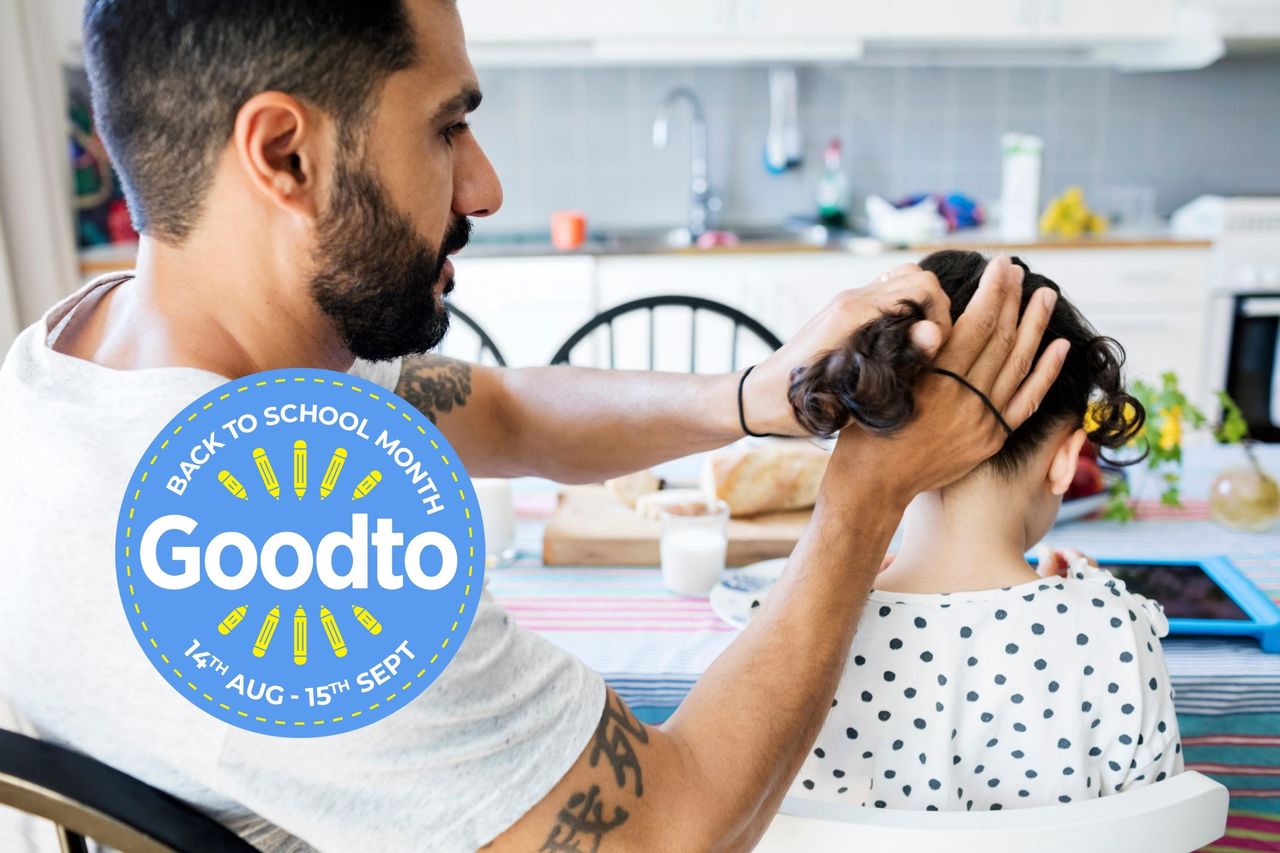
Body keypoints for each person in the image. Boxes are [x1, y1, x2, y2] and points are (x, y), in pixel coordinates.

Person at [0, 2, 1068, 850]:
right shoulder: (299, 551)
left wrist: (756, 394)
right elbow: (670, 829)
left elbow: (494, 407)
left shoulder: (81, 356)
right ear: (284, 155)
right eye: (446, 126)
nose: (486, 183)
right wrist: (863, 498)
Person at [786, 251, 1181, 811]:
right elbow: (1156, 830)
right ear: (1067, 458)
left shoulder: (789, 628)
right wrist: (1077, 606)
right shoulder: (1114, 636)